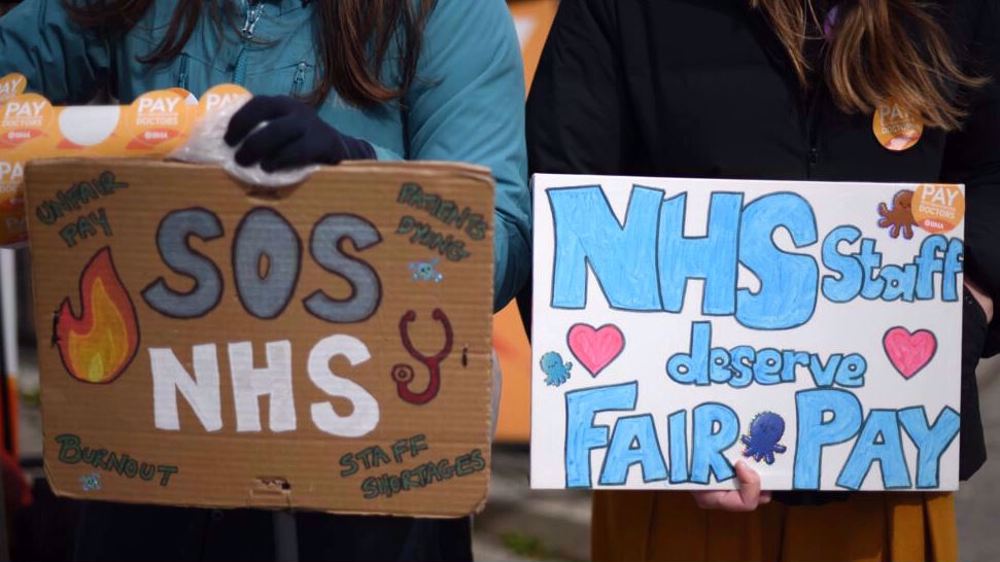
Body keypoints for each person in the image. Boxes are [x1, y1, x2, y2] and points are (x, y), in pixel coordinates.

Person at [0, 0, 530, 559]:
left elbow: (496, 242)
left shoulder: (450, 11)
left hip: (362, 491)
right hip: (155, 464)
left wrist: (357, 174)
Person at [527, 0, 999, 560]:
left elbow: (991, 173)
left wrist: (964, 313)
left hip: (886, 478)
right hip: (677, 486)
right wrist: (658, 416)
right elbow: (563, 198)